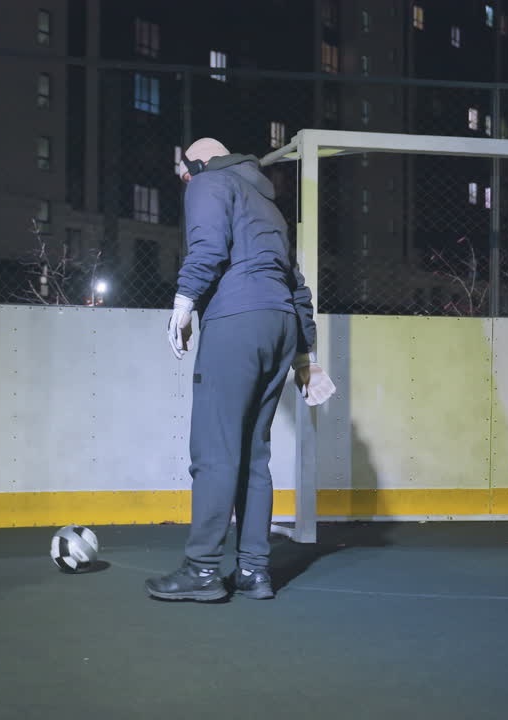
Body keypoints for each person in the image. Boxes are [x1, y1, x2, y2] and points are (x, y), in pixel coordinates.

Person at [145, 137, 336, 602]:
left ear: (201, 162)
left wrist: (184, 301)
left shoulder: (210, 183)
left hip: (237, 322)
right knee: (253, 454)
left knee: (214, 450)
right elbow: (295, 283)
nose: (184, 180)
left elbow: (208, 246)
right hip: (280, 327)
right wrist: (305, 354)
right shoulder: (266, 203)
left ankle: (203, 570)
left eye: (185, 170)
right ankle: (253, 570)